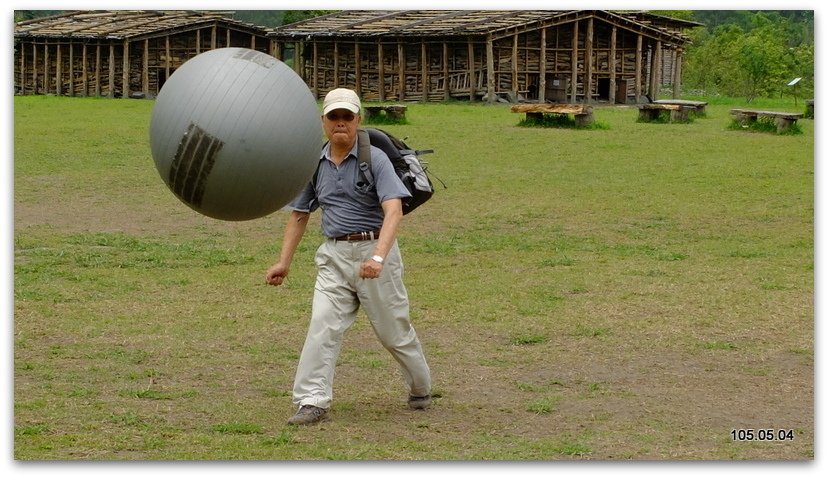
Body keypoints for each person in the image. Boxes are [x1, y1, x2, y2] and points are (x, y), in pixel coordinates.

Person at [265, 88, 432, 426]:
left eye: (347, 117)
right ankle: (311, 401)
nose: (340, 123)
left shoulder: (376, 159)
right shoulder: (313, 161)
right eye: (333, 117)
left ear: (358, 120)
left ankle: (420, 387)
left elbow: (394, 211)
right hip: (334, 255)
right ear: (323, 121)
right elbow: (299, 213)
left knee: (393, 333)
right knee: (322, 326)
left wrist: (379, 258)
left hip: (374, 253)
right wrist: (283, 262)